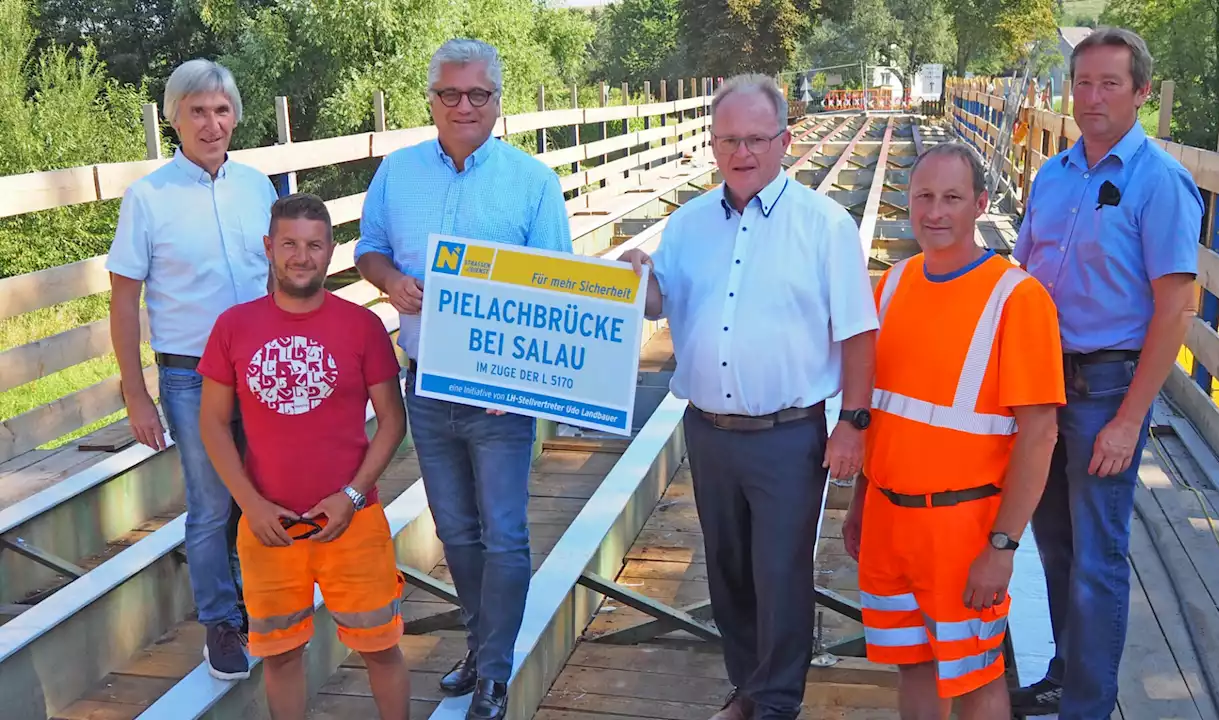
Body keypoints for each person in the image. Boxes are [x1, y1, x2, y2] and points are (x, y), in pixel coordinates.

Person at [620, 73, 878, 720]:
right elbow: (660, 303)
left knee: (780, 573)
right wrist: (635, 279)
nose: (741, 152)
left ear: (785, 140)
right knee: (729, 572)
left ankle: (777, 703)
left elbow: (858, 332)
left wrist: (852, 423)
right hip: (707, 430)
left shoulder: (824, 225)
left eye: (756, 139)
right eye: (727, 139)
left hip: (788, 435)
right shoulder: (686, 225)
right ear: (713, 144)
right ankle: (748, 687)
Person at [353, 38, 572, 719]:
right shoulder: (397, 172)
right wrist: (390, 280)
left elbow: (558, 289)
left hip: (502, 397)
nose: (464, 106)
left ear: (497, 102)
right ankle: (481, 648)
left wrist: (530, 383)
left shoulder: (531, 181)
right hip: (427, 385)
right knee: (456, 531)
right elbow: (368, 249)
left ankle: (495, 670)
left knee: (504, 532)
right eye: (451, 93)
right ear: (432, 99)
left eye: (478, 94)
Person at [1009, 27, 1205, 719]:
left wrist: (1128, 421)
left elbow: (1177, 308)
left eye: (1109, 84)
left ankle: (1088, 707)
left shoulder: (1161, 182)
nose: (1091, 98)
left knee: (1096, 559)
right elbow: (1022, 275)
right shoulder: (1055, 173)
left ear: (1142, 93)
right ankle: (1065, 673)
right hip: (1041, 385)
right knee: (1054, 545)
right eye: (1083, 83)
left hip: (1105, 392)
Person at [844, 142, 1064, 719]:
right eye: (923, 197)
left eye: (951, 198)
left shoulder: (1017, 299)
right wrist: (860, 502)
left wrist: (1003, 546)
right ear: (907, 202)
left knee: (973, 678)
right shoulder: (890, 287)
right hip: (890, 523)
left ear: (980, 204)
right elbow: (879, 412)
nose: (935, 212)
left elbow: (1039, 436)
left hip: (963, 530)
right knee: (913, 664)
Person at [198, 193, 410, 720]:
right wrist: (249, 504)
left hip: (353, 521)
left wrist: (352, 495)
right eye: (289, 243)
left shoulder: (361, 326)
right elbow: (211, 423)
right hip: (269, 527)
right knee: (281, 656)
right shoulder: (233, 326)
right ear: (269, 247)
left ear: (331, 250)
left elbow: (393, 420)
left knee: (380, 648)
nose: (301, 256)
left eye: (314, 245)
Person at [106, 58, 277, 680]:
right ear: (174, 117)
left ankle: (261, 598)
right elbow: (123, 298)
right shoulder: (147, 198)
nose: (211, 124)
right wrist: (136, 393)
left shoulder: (258, 186)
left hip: (264, 366)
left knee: (262, 489)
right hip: (191, 374)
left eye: (222, 110)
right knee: (210, 503)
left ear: (236, 116)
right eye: (197, 111)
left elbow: (285, 274)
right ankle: (221, 622)